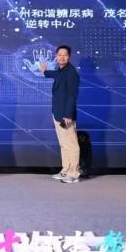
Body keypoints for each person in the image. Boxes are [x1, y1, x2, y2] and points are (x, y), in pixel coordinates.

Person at [40, 45, 81, 184]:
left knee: (71, 144)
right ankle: (66, 170)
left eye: (65, 55)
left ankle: (73, 173)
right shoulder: (62, 70)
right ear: (56, 56)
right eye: (60, 55)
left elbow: (72, 95)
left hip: (65, 115)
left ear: (69, 57)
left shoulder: (71, 72)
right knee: (64, 144)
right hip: (58, 112)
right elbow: (56, 75)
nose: (62, 57)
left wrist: (68, 114)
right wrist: (45, 71)